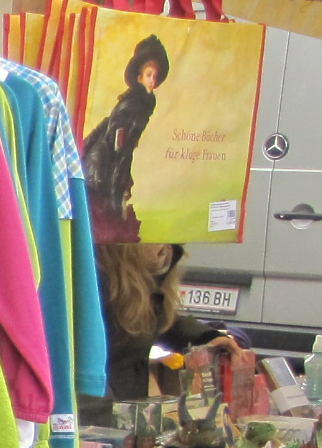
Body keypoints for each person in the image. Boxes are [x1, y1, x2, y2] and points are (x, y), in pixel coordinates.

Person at [99, 240, 237, 401]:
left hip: (121, 403)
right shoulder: (99, 281)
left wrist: (204, 337)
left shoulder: (137, 280)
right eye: (158, 238)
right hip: (99, 407)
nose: (165, 249)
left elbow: (150, 321)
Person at [82, 33, 168, 243]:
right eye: (149, 74)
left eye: (155, 76)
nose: (152, 80)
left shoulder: (145, 100)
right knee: (111, 197)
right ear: (139, 77)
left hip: (118, 155)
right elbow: (116, 130)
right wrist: (120, 145)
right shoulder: (133, 102)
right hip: (108, 159)